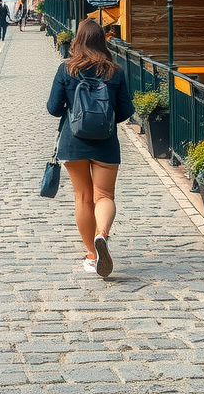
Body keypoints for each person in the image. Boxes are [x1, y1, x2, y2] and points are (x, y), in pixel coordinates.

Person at [46, 19, 134, 278]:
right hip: (106, 142)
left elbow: (53, 108)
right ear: (102, 41)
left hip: (74, 141)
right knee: (104, 195)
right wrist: (103, 120)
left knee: (83, 197)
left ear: (78, 40)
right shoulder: (115, 71)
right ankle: (102, 235)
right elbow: (126, 111)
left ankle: (92, 254)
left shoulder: (67, 70)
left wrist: (75, 113)